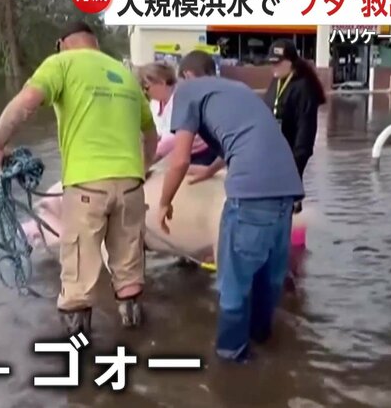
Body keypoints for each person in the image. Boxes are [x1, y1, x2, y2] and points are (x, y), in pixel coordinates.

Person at [0, 21, 158, 335]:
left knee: (78, 272)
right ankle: (138, 345)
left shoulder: (61, 63)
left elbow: (25, 105)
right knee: (129, 269)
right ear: (94, 42)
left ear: (61, 44)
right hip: (131, 184)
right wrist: (142, 170)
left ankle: (78, 363)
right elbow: (151, 134)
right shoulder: (125, 75)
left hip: (87, 186)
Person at [157, 50, 304, 363]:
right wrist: (211, 171)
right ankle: (263, 343)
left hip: (250, 195)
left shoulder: (187, 92)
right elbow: (244, 139)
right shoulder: (238, 90)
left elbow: (179, 158)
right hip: (287, 190)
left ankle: (232, 361)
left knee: (234, 284)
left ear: (186, 77)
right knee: (269, 279)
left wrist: (164, 202)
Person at [262, 39, 326, 213]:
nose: (274, 67)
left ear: (291, 62)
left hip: (291, 158)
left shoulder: (304, 88)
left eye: (278, 63)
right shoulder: (276, 81)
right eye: (271, 63)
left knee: (287, 204)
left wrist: (295, 168)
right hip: (272, 155)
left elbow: (306, 132)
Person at [137, 62, 218, 166]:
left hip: (200, 154)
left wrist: (146, 163)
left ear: (161, 82)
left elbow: (171, 140)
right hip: (175, 151)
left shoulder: (182, 99)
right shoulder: (155, 103)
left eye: (147, 87)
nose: (145, 92)